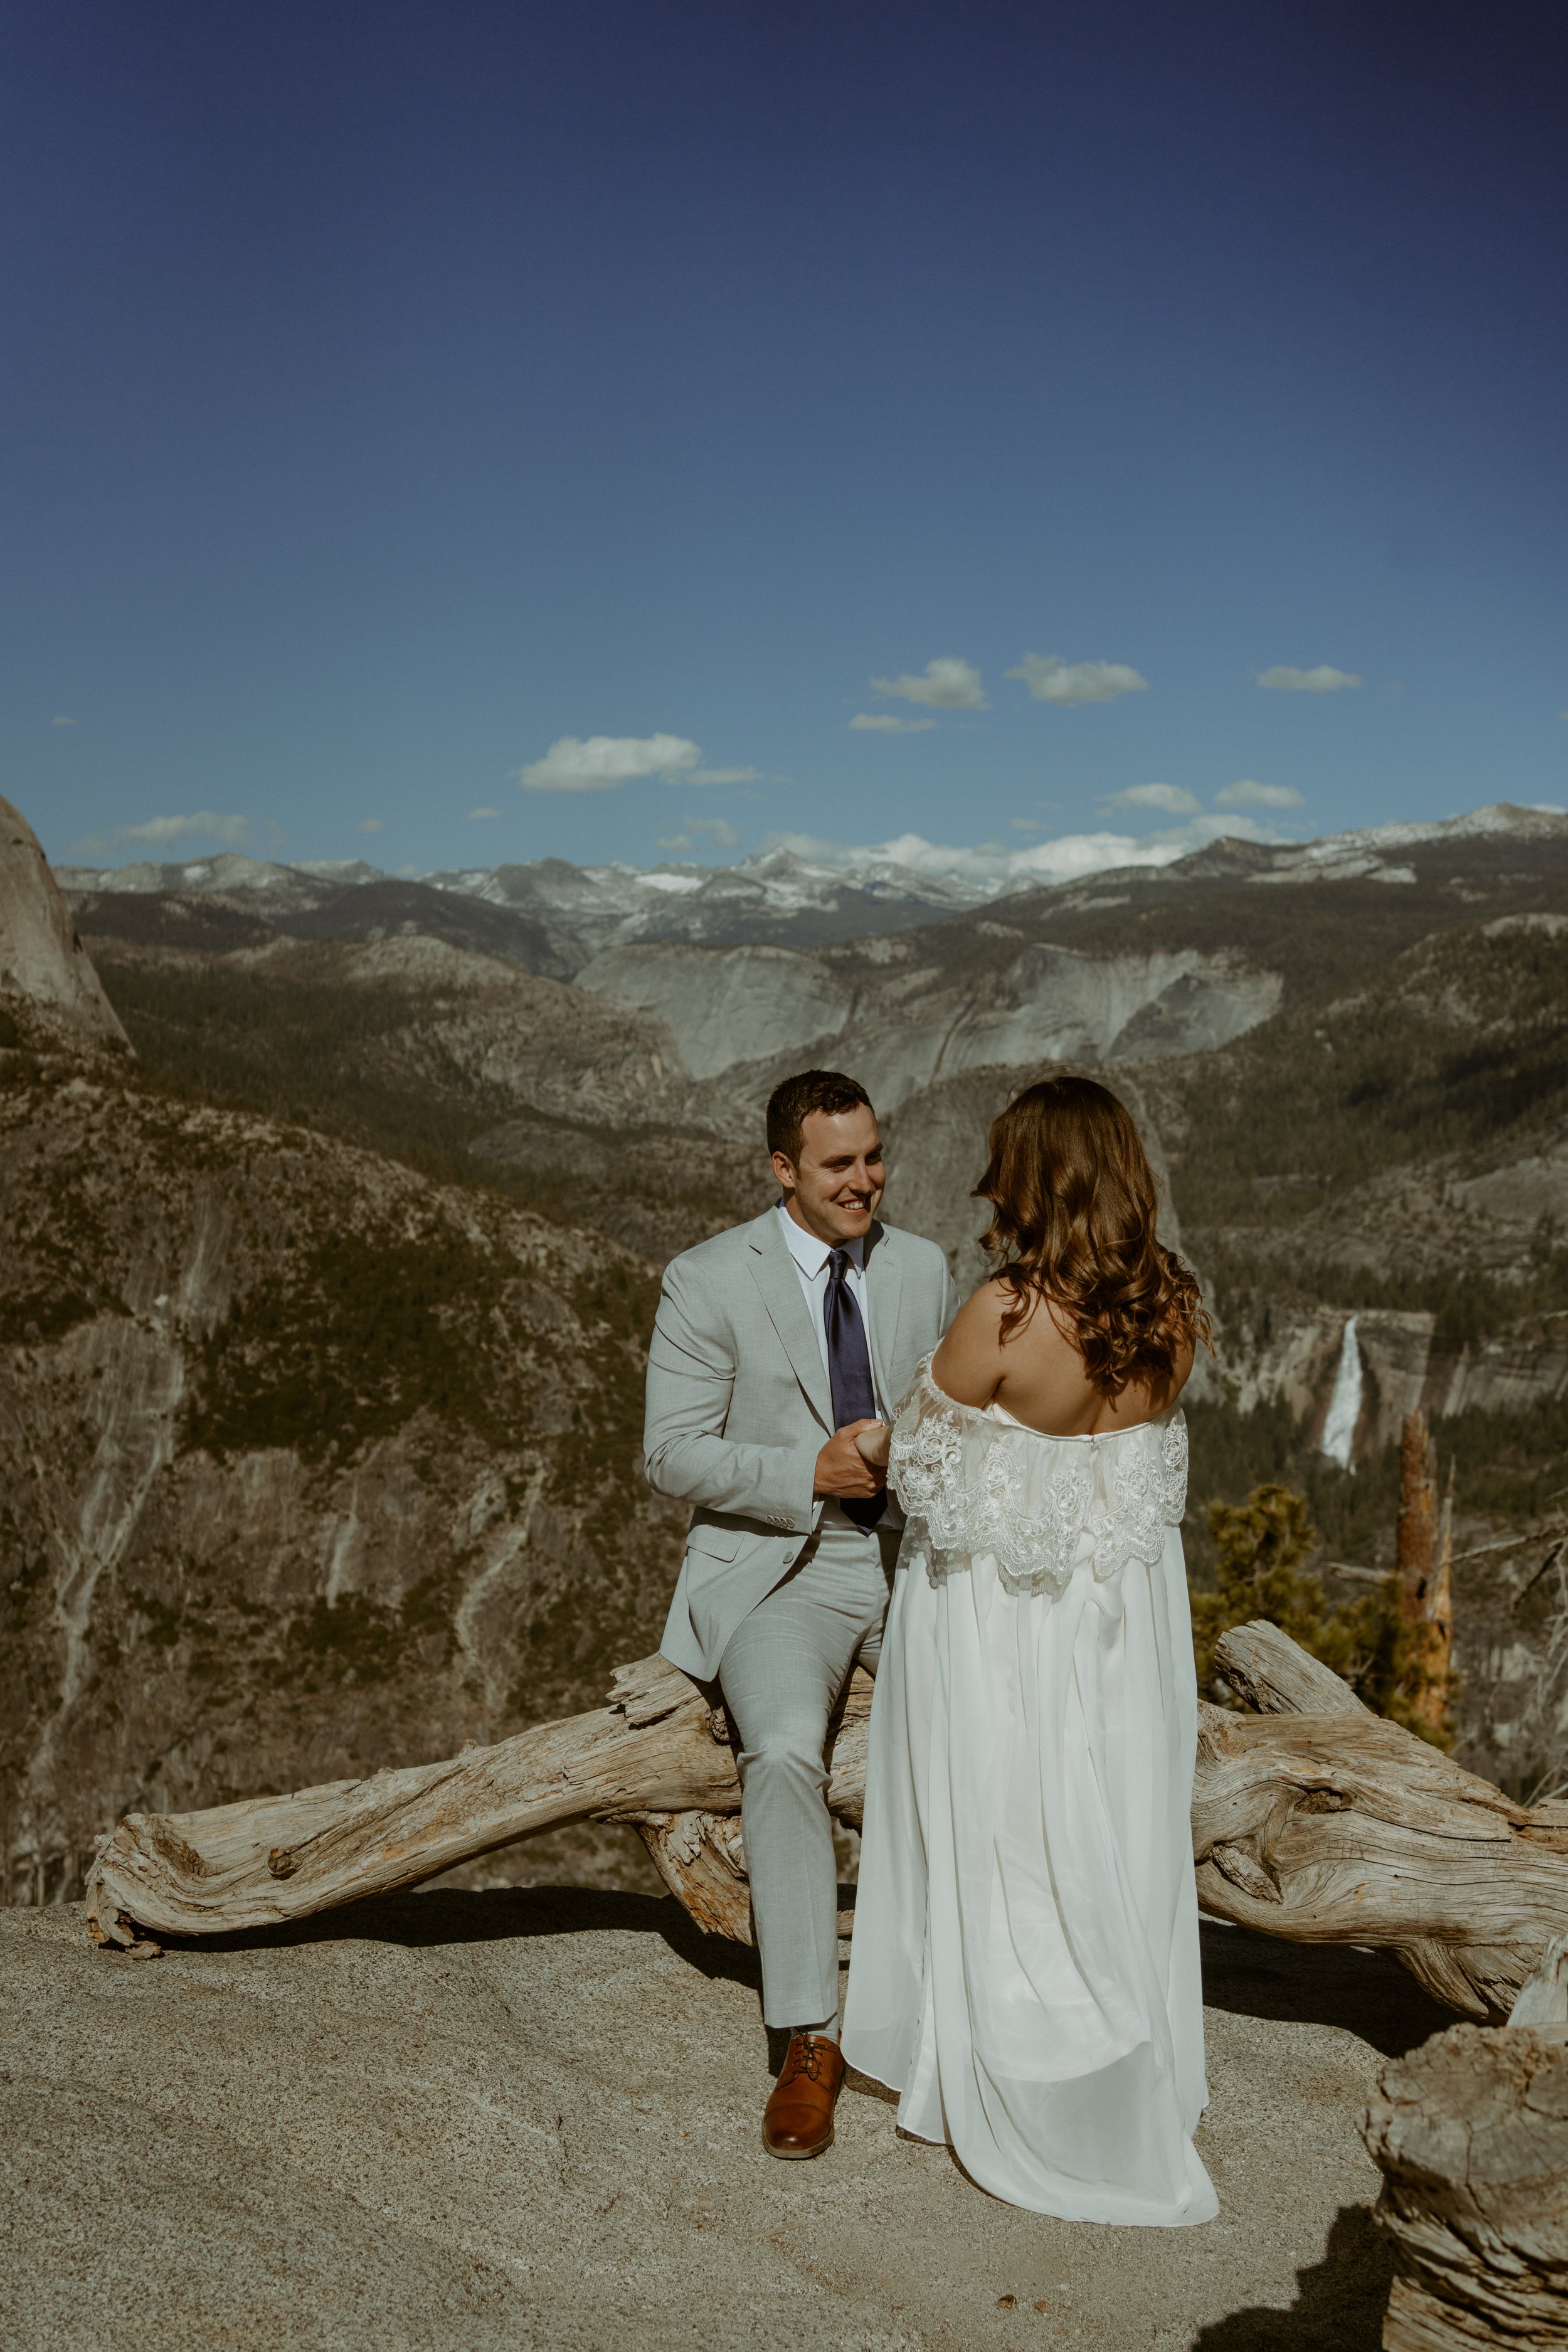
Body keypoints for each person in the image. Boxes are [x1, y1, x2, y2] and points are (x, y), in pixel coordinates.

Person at [842, 1074, 1218, 2226]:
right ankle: (1115, 2028)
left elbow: (927, 1469)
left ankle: (1007, 2037)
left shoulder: (1005, 1313)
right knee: (1104, 1812)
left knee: (1005, 1817)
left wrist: (876, 1436)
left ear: (1034, 1178)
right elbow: (1111, 1467)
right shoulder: (1173, 1310)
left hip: (1005, 1619)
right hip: (1122, 1622)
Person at [644, 1068, 957, 2159]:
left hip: (922, 1560)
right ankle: (808, 2036)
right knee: (781, 1753)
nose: (865, 1180)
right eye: (839, 1164)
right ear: (784, 1169)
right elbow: (669, 1449)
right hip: (785, 1566)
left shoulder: (921, 1265)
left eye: (873, 1156)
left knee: (989, 1732)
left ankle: (975, 2003)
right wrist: (806, 1470)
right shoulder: (704, 1277)